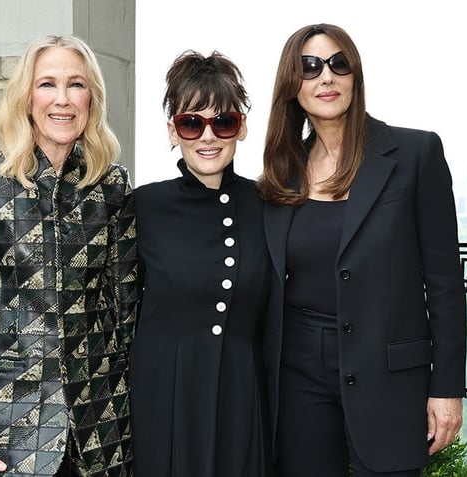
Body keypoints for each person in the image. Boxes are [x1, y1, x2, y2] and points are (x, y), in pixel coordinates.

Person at [258, 23, 467, 476]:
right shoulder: (279, 175)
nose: (326, 77)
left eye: (339, 63)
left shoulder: (415, 154)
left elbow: (446, 282)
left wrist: (447, 388)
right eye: (309, 67)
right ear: (292, 86)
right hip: (297, 374)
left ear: (356, 75)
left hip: (388, 374)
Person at [0, 34, 137, 477]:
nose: (62, 100)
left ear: (92, 98)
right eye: (47, 84)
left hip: (101, 429)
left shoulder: (112, 187)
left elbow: (127, 314)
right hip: (10, 433)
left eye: (76, 85)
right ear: (26, 97)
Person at [129, 50, 273, 476]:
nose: (207, 137)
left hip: (244, 396)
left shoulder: (270, 205)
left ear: (241, 128)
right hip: (164, 397)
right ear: (173, 131)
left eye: (222, 121)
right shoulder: (142, 207)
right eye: (192, 122)